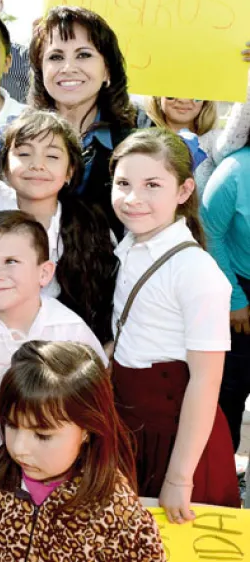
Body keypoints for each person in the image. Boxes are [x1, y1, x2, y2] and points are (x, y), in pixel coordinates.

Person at [109, 128, 240, 519]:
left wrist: (180, 477)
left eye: (152, 185)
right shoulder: (130, 245)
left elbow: (206, 380)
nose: (133, 199)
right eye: (123, 183)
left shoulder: (197, 272)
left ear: (183, 191)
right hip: (128, 426)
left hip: (176, 439)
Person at [0, 340, 165, 562]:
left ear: (87, 430)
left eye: (42, 435)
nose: (19, 448)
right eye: (12, 425)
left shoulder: (116, 508)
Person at [0, 211, 106, 462]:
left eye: (11, 261)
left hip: (65, 464)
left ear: (44, 273)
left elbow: (98, 396)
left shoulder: (68, 328)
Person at [0, 110, 118, 343]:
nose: (37, 165)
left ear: (70, 171)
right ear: (4, 167)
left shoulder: (92, 230)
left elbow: (108, 302)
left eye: (53, 157)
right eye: (24, 153)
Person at [28, 6, 136, 234]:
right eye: (56, 57)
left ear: (107, 70)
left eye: (83, 55)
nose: (68, 68)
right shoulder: (16, 139)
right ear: (40, 69)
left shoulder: (133, 146)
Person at [201, 140, 250, 453]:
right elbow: (209, 232)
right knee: (229, 390)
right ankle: (223, 475)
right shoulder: (235, 170)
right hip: (240, 288)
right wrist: (235, 299)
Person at [145, 92, 250, 193]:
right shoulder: (143, 141)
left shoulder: (212, 141)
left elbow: (234, 136)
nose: (184, 100)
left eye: (196, 95)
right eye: (171, 94)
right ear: (157, 97)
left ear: (205, 101)